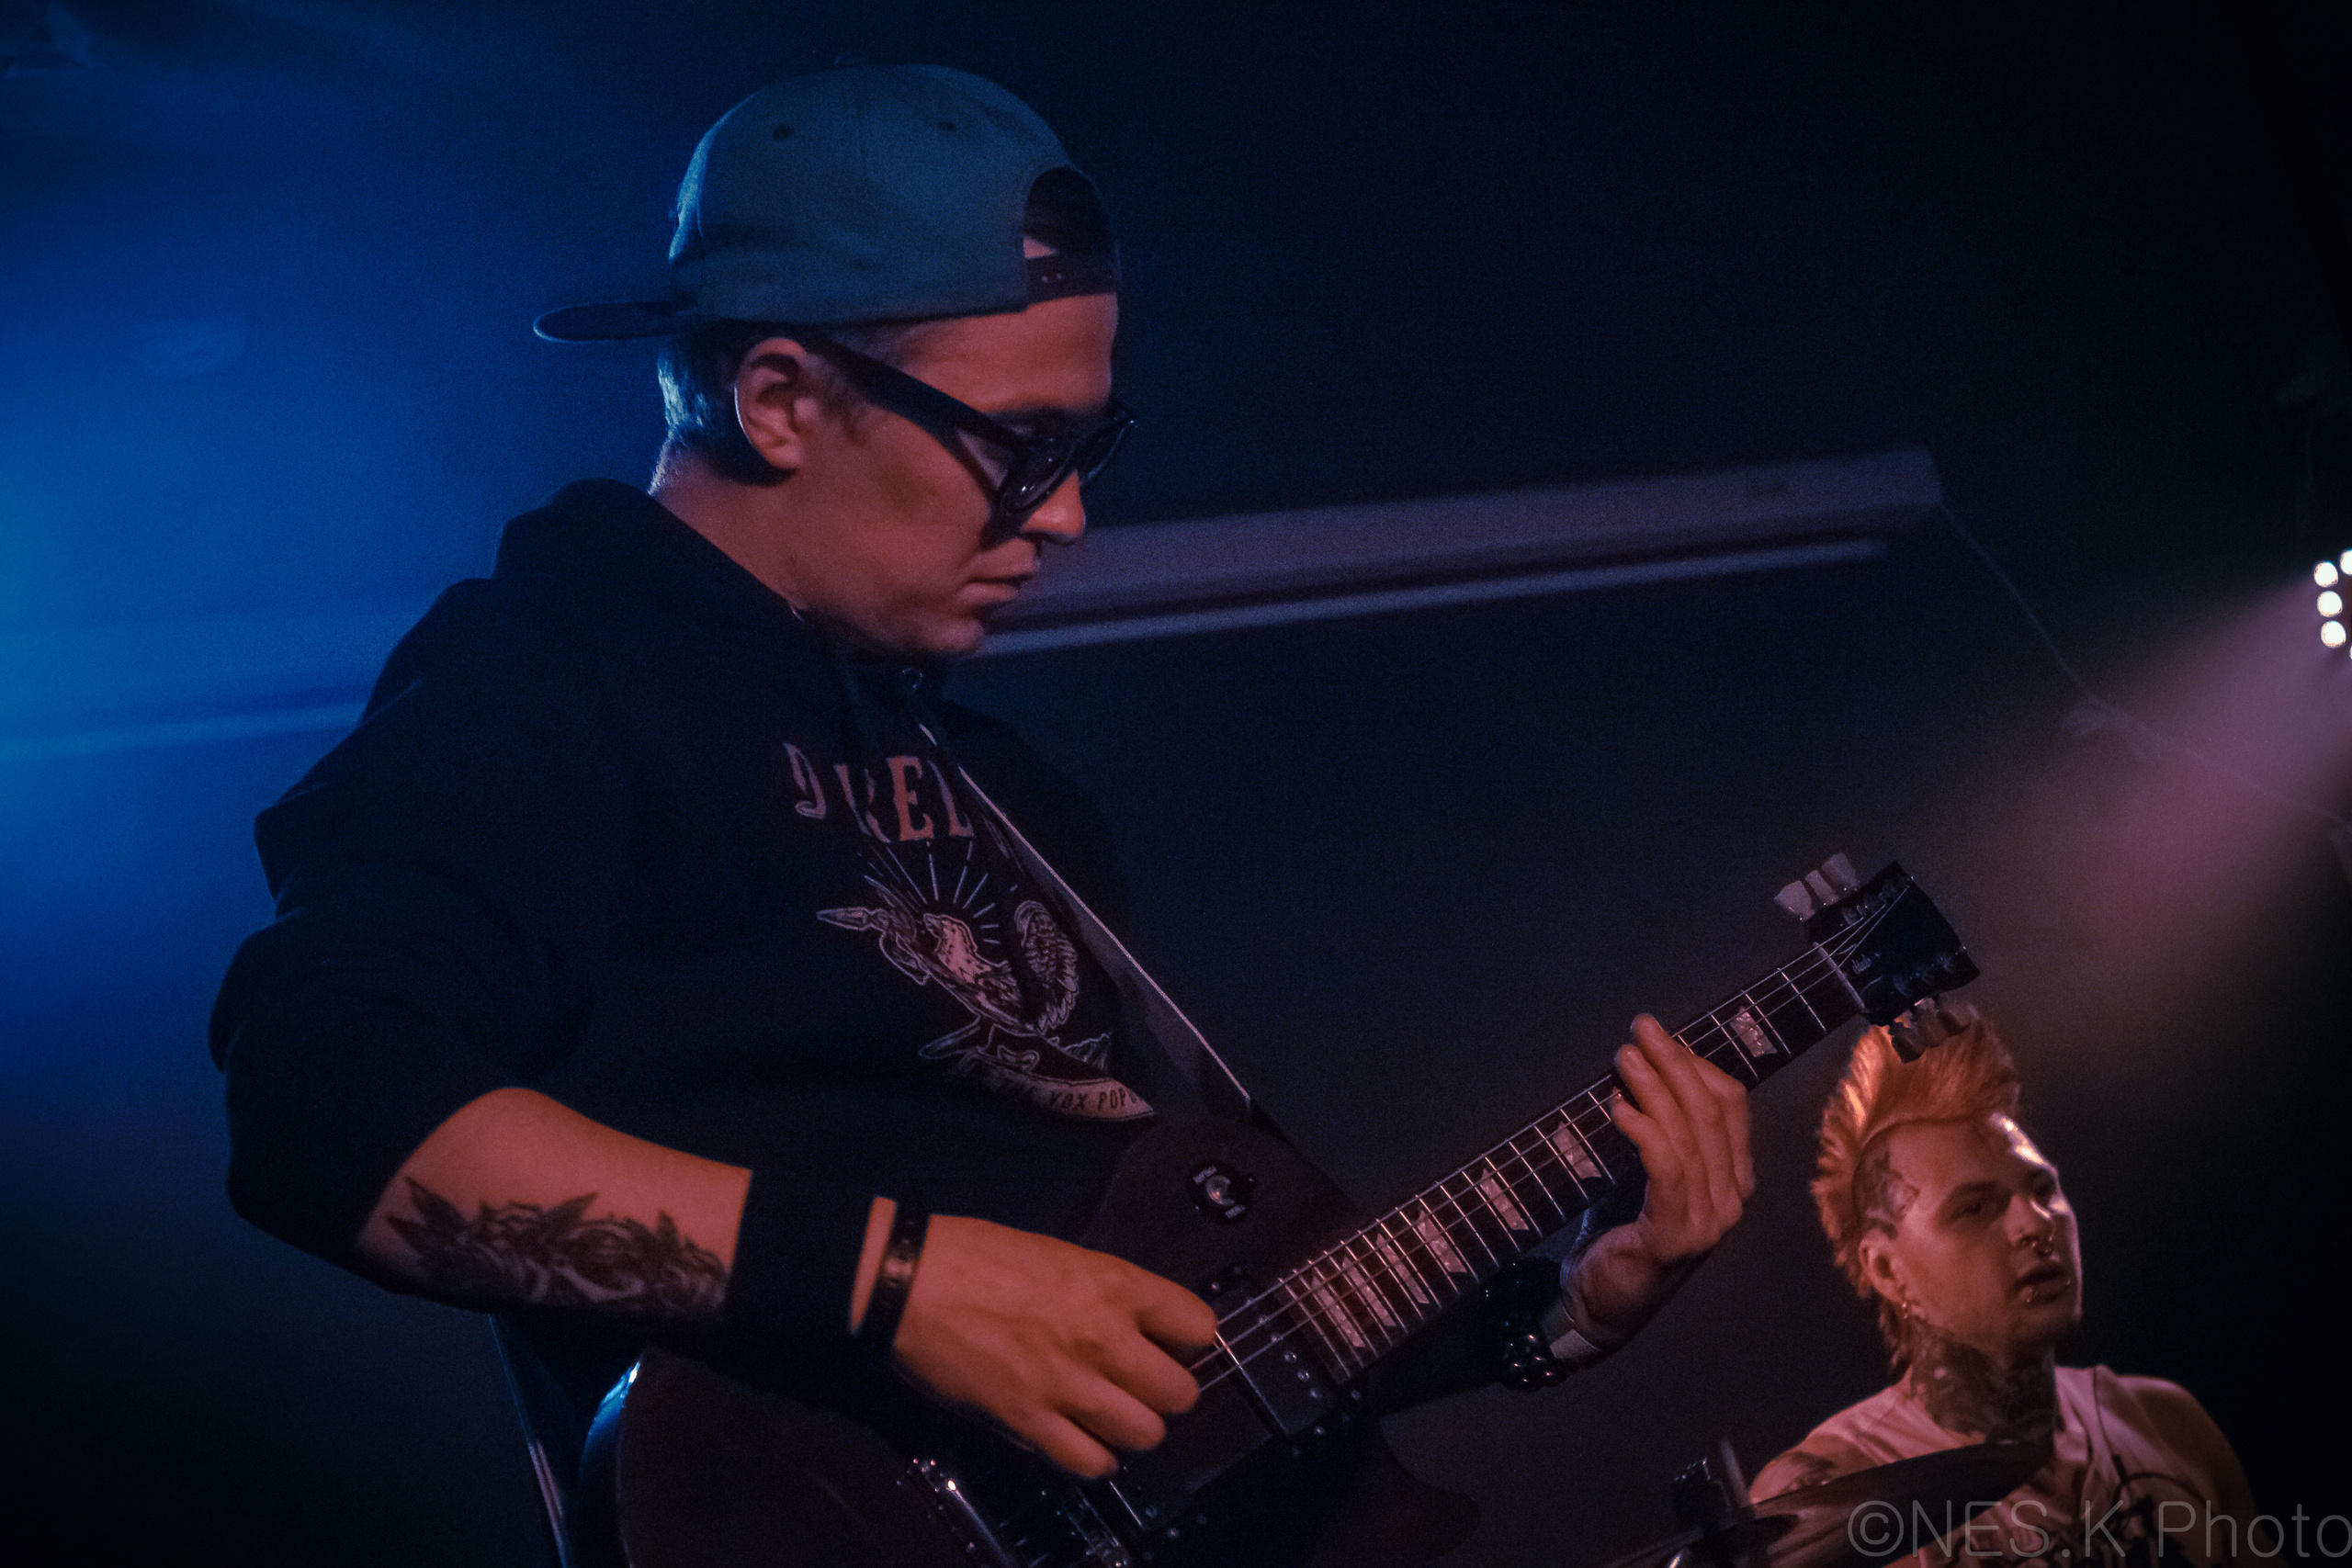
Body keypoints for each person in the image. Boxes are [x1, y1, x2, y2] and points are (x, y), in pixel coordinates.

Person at [209, 63, 1754, 1562]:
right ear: (780, 396)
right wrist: (892, 1283)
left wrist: (1557, 1308)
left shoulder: (1009, 791)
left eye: (1087, 448)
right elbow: (323, 1105)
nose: (1069, 514)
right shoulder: (550, 672)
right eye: (1020, 449)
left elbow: (1175, 1355)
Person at [1749, 1018, 2257, 1566]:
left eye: (2042, 1189)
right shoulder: (1830, 1490)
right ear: (1887, 1269)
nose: (2035, 1223)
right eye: (1974, 1208)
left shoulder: (2166, 1424)